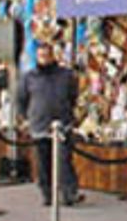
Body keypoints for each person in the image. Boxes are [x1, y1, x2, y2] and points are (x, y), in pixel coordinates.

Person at [18, 41, 83, 207]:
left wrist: (67, 113)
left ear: (53, 55)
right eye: (41, 56)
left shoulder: (65, 75)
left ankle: (69, 193)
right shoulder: (29, 77)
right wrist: (27, 117)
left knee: (64, 161)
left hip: (62, 125)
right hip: (39, 126)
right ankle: (47, 194)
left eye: (47, 55)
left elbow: (73, 95)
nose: (44, 58)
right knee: (43, 163)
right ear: (37, 57)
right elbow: (22, 99)